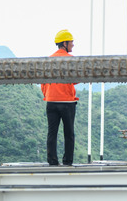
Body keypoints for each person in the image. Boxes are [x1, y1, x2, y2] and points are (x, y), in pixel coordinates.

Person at [41, 29, 78, 166]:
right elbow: (76, 80)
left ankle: (52, 161)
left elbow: (43, 82)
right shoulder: (72, 60)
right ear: (65, 43)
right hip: (67, 102)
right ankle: (67, 162)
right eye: (71, 42)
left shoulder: (49, 60)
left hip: (51, 101)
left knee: (52, 133)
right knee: (69, 133)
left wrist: (48, 94)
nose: (73, 45)